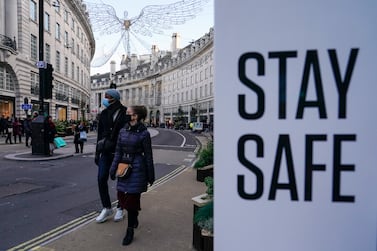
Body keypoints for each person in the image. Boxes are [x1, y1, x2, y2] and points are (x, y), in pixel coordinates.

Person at [109, 105, 155, 246]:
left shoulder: (144, 133)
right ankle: (134, 217)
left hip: (137, 168)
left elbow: (148, 155)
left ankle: (130, 230)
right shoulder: (122, 131)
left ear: (135, 116)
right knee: (122, 197)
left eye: (129, 113)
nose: (126, 115)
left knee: (132, 199)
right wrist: (113, 169)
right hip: (124, 167)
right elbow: (118, 151)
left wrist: (150, 175)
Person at [95, 89, 129, 223]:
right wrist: (97, 153)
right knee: (101, 178)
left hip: (120, 152)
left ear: (115, 98)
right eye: (105, 97)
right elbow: (99, 134)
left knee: (122, 180)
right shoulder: (104, 113)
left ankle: (121, 207)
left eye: (108, 97)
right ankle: (107, 207)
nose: (105, 99)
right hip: (105, 151)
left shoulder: (125, 112)